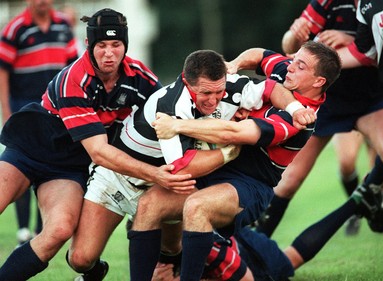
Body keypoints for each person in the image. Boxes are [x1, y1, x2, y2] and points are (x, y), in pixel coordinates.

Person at [66, 49, 314, 280]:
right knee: (82, 258)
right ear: (187, 82)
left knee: (183, 223)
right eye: (205, 93)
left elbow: (264, 98)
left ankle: (185, 263)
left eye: (219, 92)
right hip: (122, 175)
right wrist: (229, 151)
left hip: (202, 181)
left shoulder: (243, 91)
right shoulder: (172, 106)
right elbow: (183, 168)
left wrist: (293, 109)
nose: (213, 101)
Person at [0, 8, 195, 281]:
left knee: (58, 231)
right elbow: (99, 152)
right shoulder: (74, 80)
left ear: (125, 45)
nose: (109, 53)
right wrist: (154, 175)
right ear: (89, 45)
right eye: (101, 45)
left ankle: (93, 271)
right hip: (30, 149)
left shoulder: (141, 79)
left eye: (116, 45)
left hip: (68, 167)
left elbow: (167, 115)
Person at [131, 41, 341, 281]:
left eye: (300, 65)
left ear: (318, 82)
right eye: (294, 60)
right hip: (215, 169)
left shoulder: (302, 118)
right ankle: (163, 264)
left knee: (197, 207)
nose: (290, 66)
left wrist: (176, 124)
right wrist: (234, 65)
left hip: (249, 185)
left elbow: (237, 134)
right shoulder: (288, 72)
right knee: (149, 205)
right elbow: (260, 55)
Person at [253, 0, 383, 238]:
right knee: (290, 179)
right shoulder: (326, 3)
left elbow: (382, 49)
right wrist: (295, 32)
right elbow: (290, 47)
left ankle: (367, 192)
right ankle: (254, 248)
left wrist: (351, 41)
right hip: (327, 99)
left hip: (371, 96)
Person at [151, 190, 370, 281]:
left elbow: (247, 278)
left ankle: (357, 200)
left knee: (290, 260)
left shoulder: (206, 247)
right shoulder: (153, 248)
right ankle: (358, 199)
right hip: (235, 238)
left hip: (244, 255)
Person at [0, 0, 79, 245]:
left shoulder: (64, 24)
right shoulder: (15, 29)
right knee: (21, 162)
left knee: (47, 163)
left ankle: (38, 230)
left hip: (53, 110)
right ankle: (23, 228)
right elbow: (2, 72)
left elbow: (73, 66)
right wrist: (7, 112)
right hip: (23, 108)